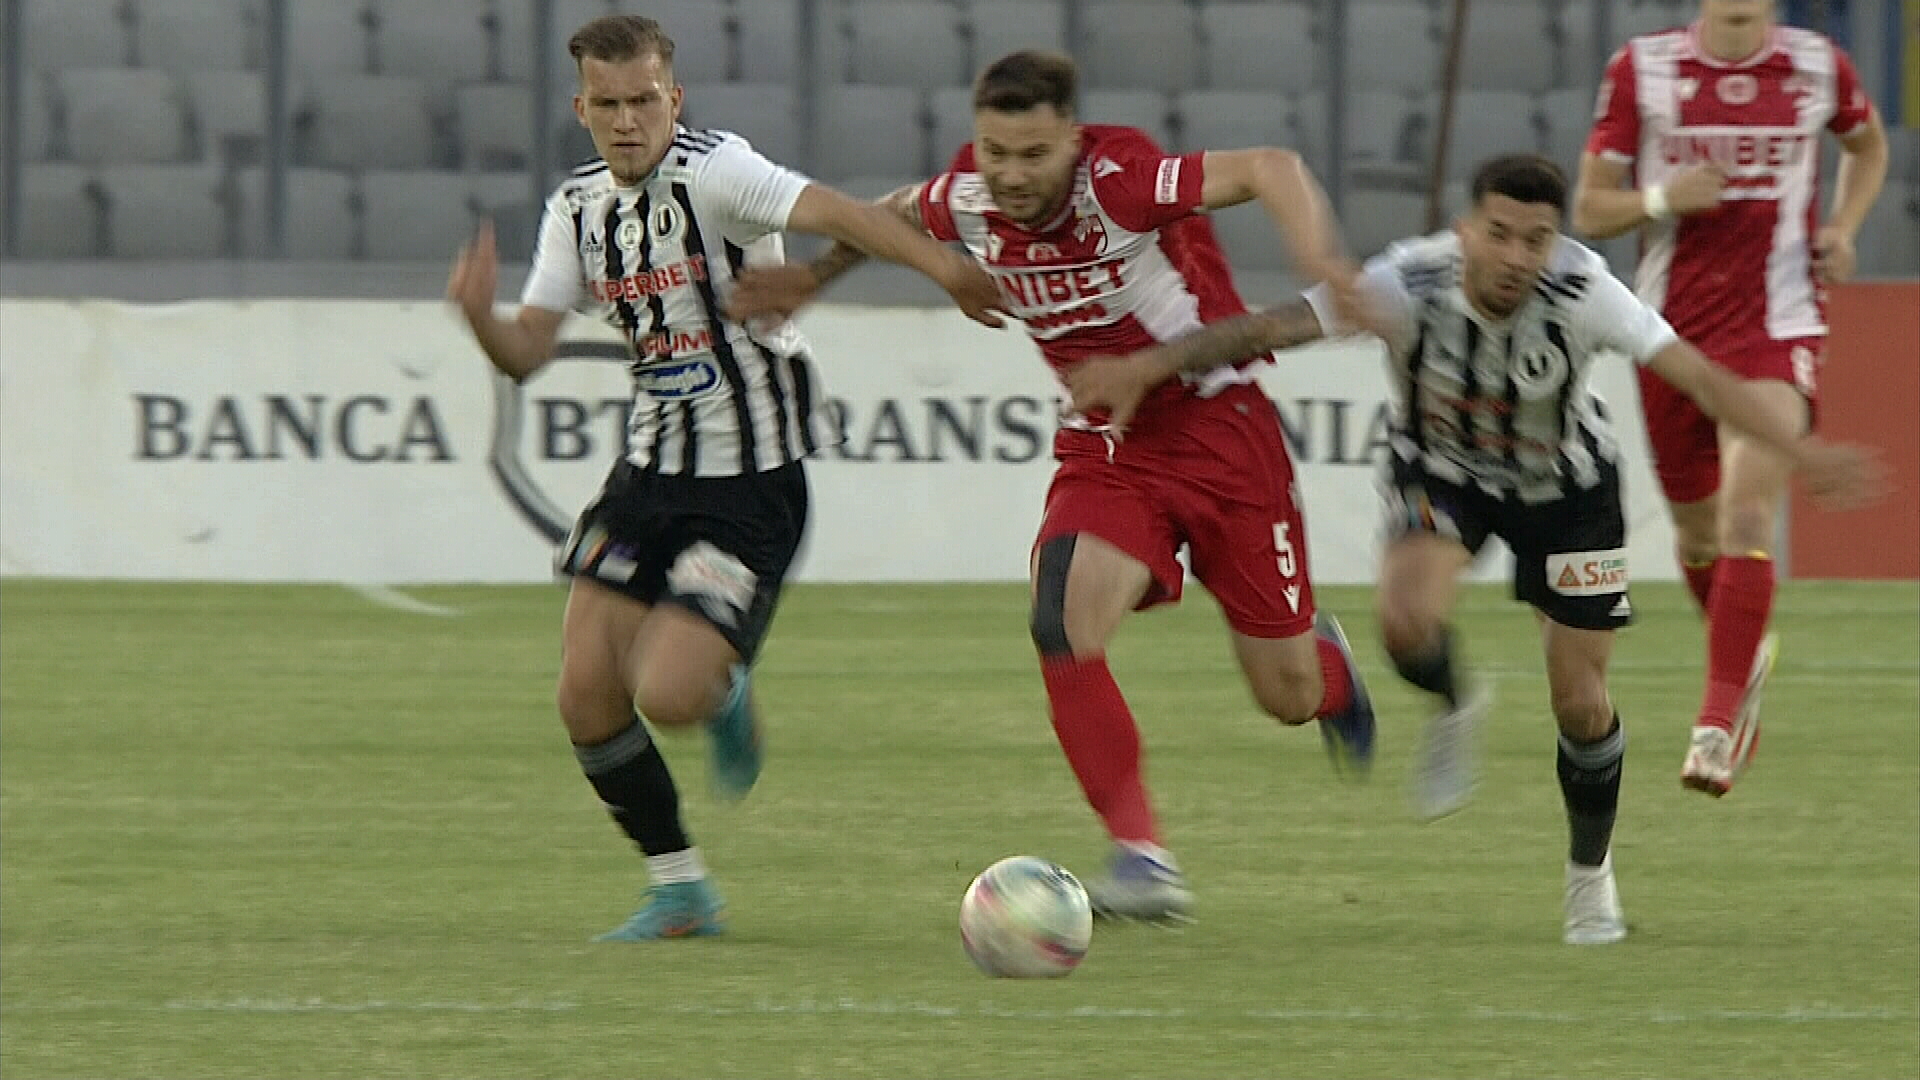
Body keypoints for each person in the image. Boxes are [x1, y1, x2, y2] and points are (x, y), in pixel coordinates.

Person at [1062, 154, 1882, 943]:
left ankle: (1589, 879)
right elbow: (1271, 327)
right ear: (1466, 229)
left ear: (1556, 240)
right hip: (1445, 475)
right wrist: (1153, 364)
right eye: (1499, 233)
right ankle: (1457, 702)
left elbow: (1699, 378)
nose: (1516, 256)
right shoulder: (1407, 280)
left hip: (1568, 495)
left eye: (1536, 239)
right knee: (1405, 621)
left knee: (1581, 705)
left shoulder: (1586, 289)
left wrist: (1804, 456)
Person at [728, 50, 1378, 925]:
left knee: (1288, 696)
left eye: (1033, 155)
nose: (1011, 175)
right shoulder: (969, 195)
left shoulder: (1121, 185)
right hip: (1110, 441)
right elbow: (887, 213)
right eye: (995, 151)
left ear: (1071, 140)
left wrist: (1321, 259)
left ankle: (1333, 671)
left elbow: (1271, 166)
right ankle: (1143, 859)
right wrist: (824, 275)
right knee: (1061, 616)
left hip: (1224, 434)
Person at [446, 14, 1003, 942]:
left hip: (751, 486)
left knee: (669, 695)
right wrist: (478, 319)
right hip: (645, 477)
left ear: (676, 96)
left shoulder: (720, 172)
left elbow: (847, 214)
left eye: (646, 100)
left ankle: (723, 690)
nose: (629, 120)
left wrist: (948, 272)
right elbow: (525, 353)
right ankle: (681, 891)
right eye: (610, 105)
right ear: (581, 108)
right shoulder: (577, 210)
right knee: (583, 693)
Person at [1574, 0, 1889, 795]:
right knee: (1698, 533)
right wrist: (1659, 201)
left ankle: (1714, 727)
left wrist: (1845, 225)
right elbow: (1587, 208)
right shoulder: (1641, 69)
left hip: (1778, 325)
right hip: (1668, 335)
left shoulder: (1820, 65)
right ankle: (1741, 657)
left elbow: (1867, 144)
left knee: (1751, 515)